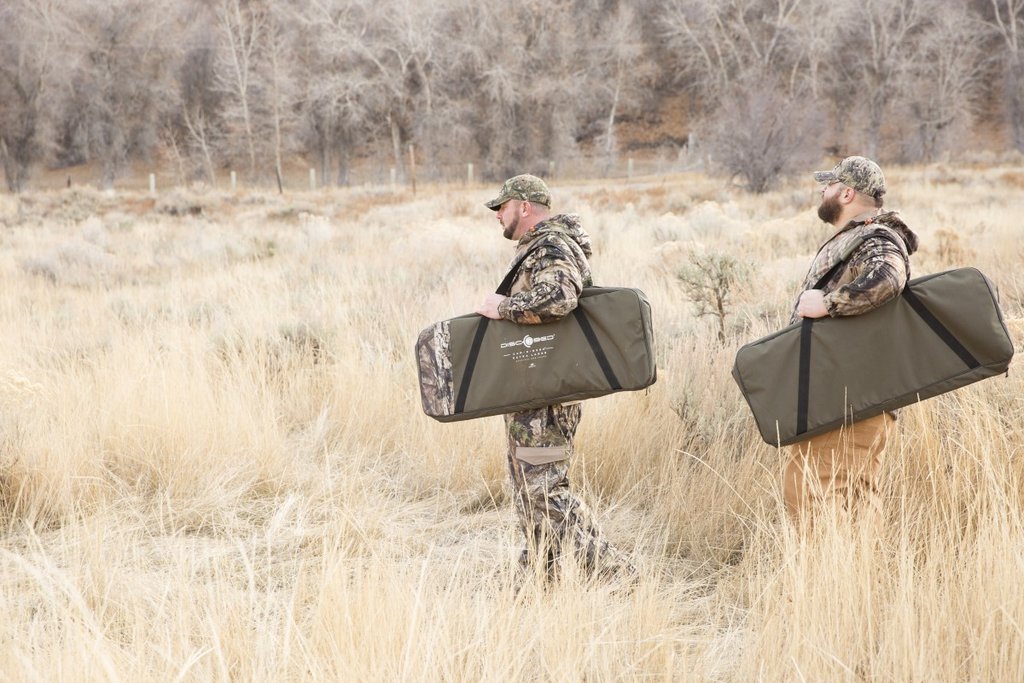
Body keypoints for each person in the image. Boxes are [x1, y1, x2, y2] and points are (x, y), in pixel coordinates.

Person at [476, 174, 635, 581]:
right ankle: (538, 579)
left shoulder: (551, 246)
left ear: (525, 207)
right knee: (530, 491)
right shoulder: (541, 247)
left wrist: (505, 307)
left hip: (546, 401)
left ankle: (616, 574)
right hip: (535, 391)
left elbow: (560, 297)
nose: (497, 214)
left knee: (544, 490)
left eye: (503, 206)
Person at [786, 156, 919, 531]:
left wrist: (827, 304)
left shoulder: (876, 238)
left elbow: (889, 276)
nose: (822, 191)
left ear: (846, 193)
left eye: (829, 186)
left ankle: (821, 583)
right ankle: (856, 584)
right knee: (856, 500)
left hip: (850, 397)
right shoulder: (861, 236)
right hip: (861, 395)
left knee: (809, 489)